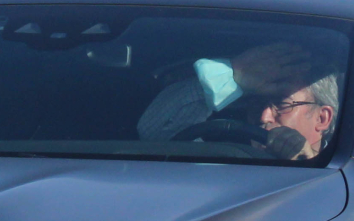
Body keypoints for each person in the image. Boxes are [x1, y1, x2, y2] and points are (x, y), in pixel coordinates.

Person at [137, 41, 336, 158]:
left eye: (282, 104)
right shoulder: (227, 157)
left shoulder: (349, 172)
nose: (263, 116)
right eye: (256, 103)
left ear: (322, 118)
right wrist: (234, 76)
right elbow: (155, 131)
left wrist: (308, 160)